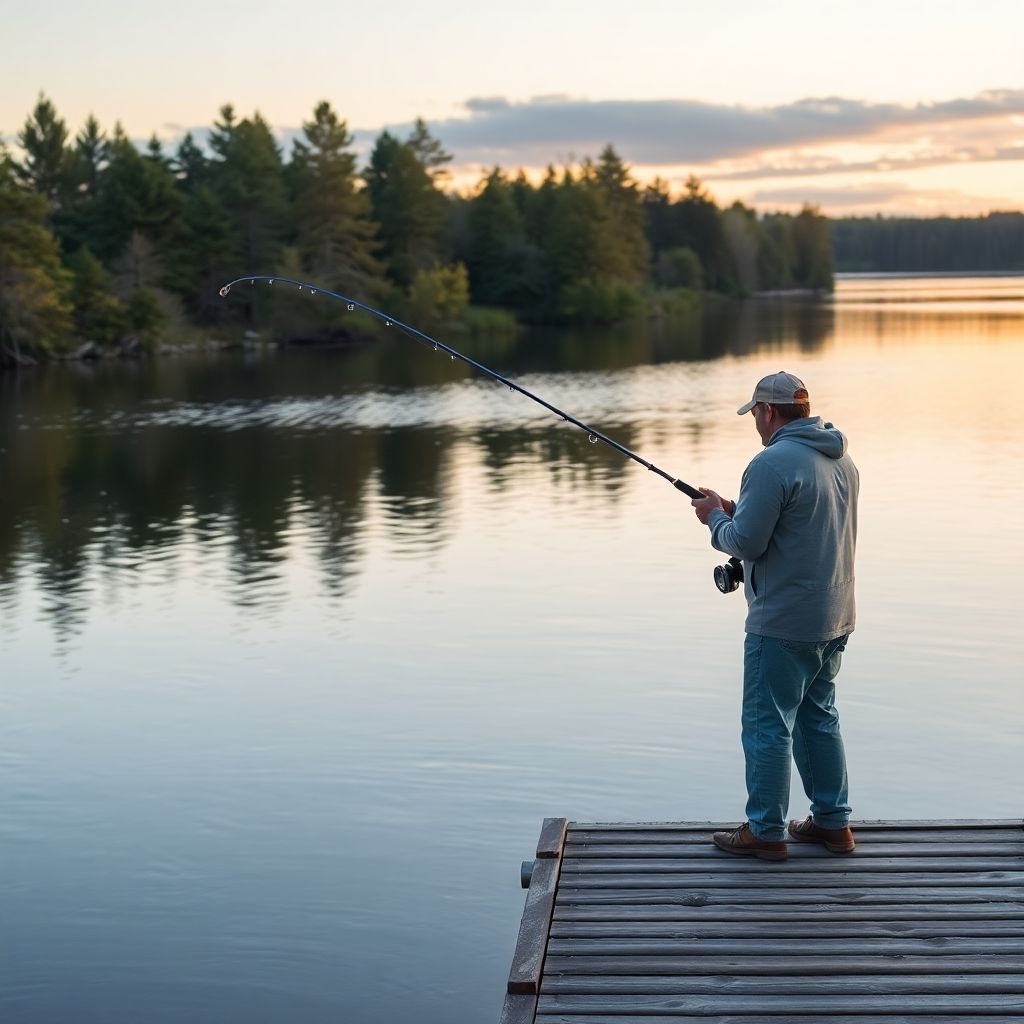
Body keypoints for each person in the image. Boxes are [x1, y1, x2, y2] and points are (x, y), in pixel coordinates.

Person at [691, 371, 859, 862]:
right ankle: (833, 824)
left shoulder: (770, 463)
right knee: (818, 717)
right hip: (834, 616)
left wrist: (715, 519)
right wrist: (734, 507)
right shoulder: (840, 458)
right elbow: (800, 522)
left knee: (768, 726)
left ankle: (765, 831)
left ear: (767, 411)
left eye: (756, 415)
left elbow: (745, 543)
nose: (756, 425)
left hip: (783, 622)